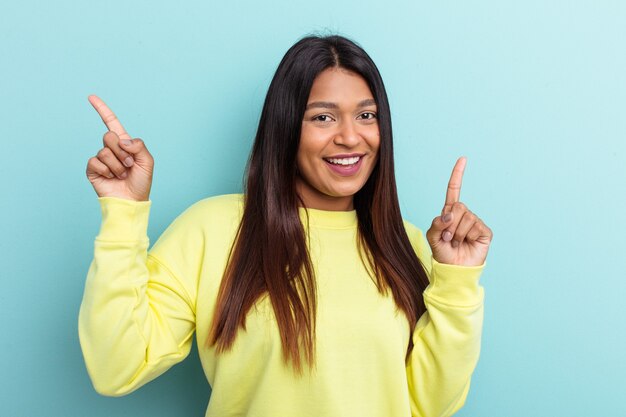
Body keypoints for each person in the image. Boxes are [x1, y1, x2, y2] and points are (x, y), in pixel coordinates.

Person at [79, 35, 493, 417]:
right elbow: (117, 366)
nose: (351, 137)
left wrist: (457, 280)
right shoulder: (212, 229)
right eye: (323, 118)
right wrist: (123, 215)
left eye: (366, 115)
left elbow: (430, 403)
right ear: (285, 127)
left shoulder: (407, 244)